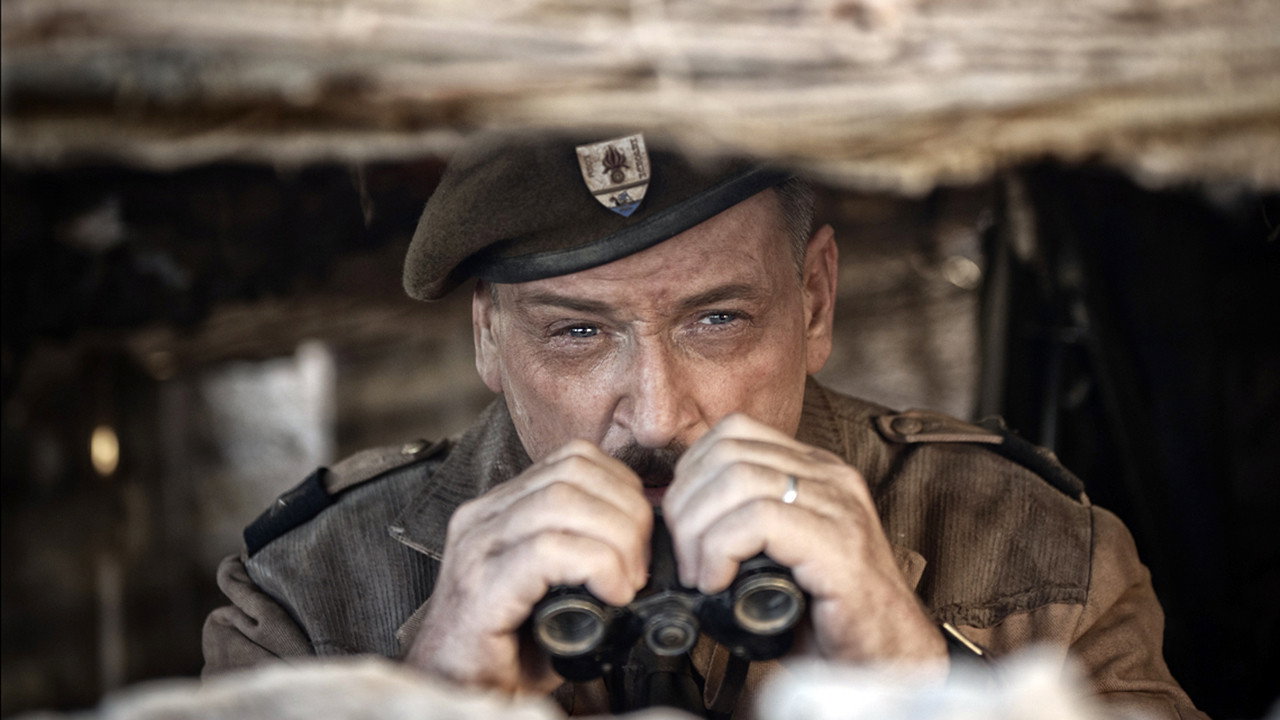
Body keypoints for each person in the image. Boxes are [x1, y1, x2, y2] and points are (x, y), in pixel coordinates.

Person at [202, 131, 1206, 718]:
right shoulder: (301, 602)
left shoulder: (1036, 551)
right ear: (487, 340)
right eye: (575, 334)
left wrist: (915, 684)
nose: (655, 411)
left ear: (813, 302)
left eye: (717, 320)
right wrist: (434, 695)